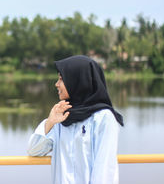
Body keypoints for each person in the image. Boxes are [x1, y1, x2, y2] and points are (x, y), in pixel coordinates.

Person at [27, 55, 124, 184]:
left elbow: (104, 170)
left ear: (78, 80)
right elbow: (34, 150)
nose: (56, 84)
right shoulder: (62, 117)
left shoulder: (103, 118)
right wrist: (50, 122)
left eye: (62, 79)